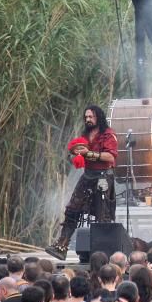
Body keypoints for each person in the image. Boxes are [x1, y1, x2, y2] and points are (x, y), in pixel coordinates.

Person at [47, 105, 118, 259]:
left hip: (103, 177)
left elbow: (111, 157)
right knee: (72, 210)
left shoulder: (108, 135)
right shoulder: (85, 135)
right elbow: (80, 152)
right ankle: (62, 246)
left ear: (98, 117)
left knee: (102, 216)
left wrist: (89, 154)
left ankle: (102, 254)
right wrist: (77, 154)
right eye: (86, 117)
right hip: (87, 176)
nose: (88, 120)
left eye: (91, 117)